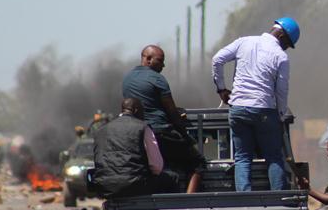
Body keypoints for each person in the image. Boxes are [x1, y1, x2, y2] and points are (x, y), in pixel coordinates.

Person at [212, 17, 299, 191]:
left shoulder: (244, 42)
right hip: (264, 110)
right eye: (287, 44)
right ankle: (277, 200)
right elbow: (281, 90)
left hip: (238, 109)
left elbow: (217, 59)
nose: (286, 48)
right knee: (274, 157)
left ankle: (245, 201)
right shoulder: (281, 56)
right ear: (281, 35)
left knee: (242, 158)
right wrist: (281, 115)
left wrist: (221, 89)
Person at [122, 45, 202, 192]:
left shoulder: (127, 79)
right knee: (198, 163)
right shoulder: (157, 79)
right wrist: (186, 136)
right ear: (147, 59)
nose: (163, 65)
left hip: (138, 135)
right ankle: (189, 203)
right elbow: (171, 111)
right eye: (160, 61)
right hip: (161, 133)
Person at [92, 98, 178, 197]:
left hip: (105, 186)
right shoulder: (142, 127)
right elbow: (156, 167)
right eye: (142, 111)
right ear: (136, 110)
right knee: (172, 177)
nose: (143, 115)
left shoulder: (100, 131)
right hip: (135, 185)